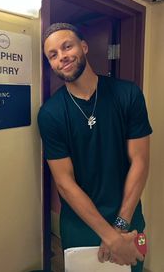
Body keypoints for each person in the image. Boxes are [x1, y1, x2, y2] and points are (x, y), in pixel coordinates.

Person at [37, 23, 152, 271]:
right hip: (80, 226)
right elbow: (65, 184)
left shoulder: (128, 94)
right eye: (53, 55)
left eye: (67, 46)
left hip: (129, 218)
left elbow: (140, 161)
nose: (62, 57)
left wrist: (120, 227)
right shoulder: (51, 114)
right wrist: (111, 238)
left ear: (84, 46)